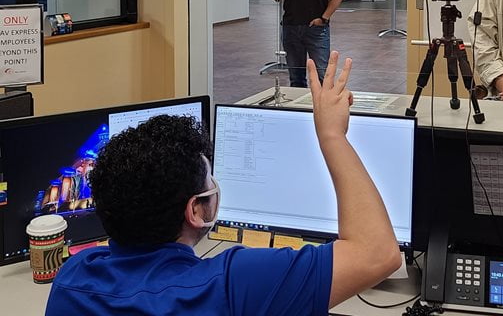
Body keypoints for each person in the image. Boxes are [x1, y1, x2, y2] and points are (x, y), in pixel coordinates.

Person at [46, 52, 401, 315]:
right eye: (208, 178)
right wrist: (332, 136)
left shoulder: (72, 277)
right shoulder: (234, 283)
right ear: (196, 211)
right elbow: (377, 254)